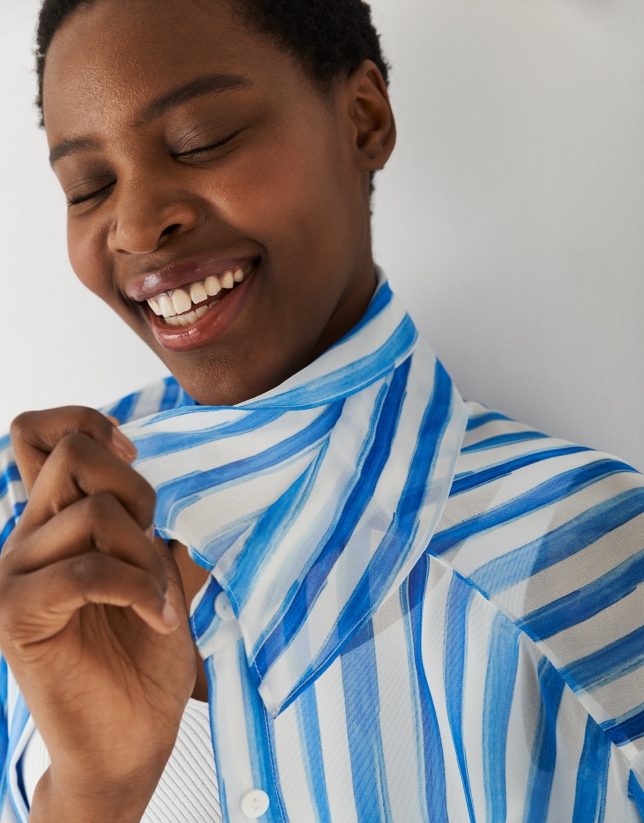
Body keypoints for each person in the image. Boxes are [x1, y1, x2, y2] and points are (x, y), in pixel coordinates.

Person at [0, 0, 643, 821]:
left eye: (201, 139)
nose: (133, 224)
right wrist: (92, 789)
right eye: (87, 186)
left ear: (364, 119)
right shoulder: (29, 528)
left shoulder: (576, 559)